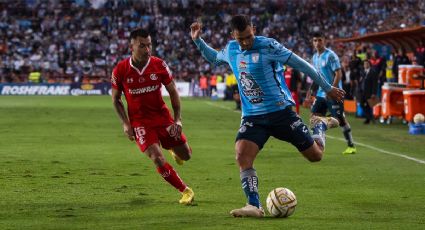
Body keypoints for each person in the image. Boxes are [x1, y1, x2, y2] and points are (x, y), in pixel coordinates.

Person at [190, 15, 345, 218]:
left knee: (315, 156)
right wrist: (197, 41)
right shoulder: (231, 49)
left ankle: (320, 125)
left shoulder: (269, 46)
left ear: (253, 29)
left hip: (281, 113)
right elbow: (214, 58)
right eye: (240, 39)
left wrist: (327, 88)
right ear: (233, 35)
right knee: (241, 155)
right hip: (253, 117)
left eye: (248, 36)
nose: (245, 42)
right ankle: (253, 205)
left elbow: (303, 65)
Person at [111, 28, 194, 205]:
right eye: (142, 46)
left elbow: (173, 92)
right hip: (140, 123)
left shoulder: (159, 65)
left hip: (163, 118)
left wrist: (177, 119)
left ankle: (172, 149)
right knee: (156, 157)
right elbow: (116, 99)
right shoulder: (121, 70)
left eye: (149, 45)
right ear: (131, 46)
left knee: (186, 155)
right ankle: (185, 190)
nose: (147, 50)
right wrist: (126, 123)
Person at [306, 32, 356, 156]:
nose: (317, 43)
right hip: (321, 93)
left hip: (334, 93)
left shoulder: (330, 55)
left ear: (324, 41)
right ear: (313, 42)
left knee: (340, 119)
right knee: (314, 117)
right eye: (315, 40)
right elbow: (316, 76)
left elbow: (338, 74)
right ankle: (319, 141)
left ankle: (351, 145)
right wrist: (312, 89)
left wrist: (331, 89)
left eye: (320, 40)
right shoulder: (315, 57)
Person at [357, 60, 379, 124]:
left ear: (369, 64)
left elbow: (375, 84)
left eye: (366, 64)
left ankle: (368, 119)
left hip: (369, 92)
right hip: (362, 91)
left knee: (369, 106)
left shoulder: (373, 72)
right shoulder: (363, 72)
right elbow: (361, 81)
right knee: (362, 104)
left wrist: (374, 93)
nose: (365, 65)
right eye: (364, 64)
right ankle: (370, 117)